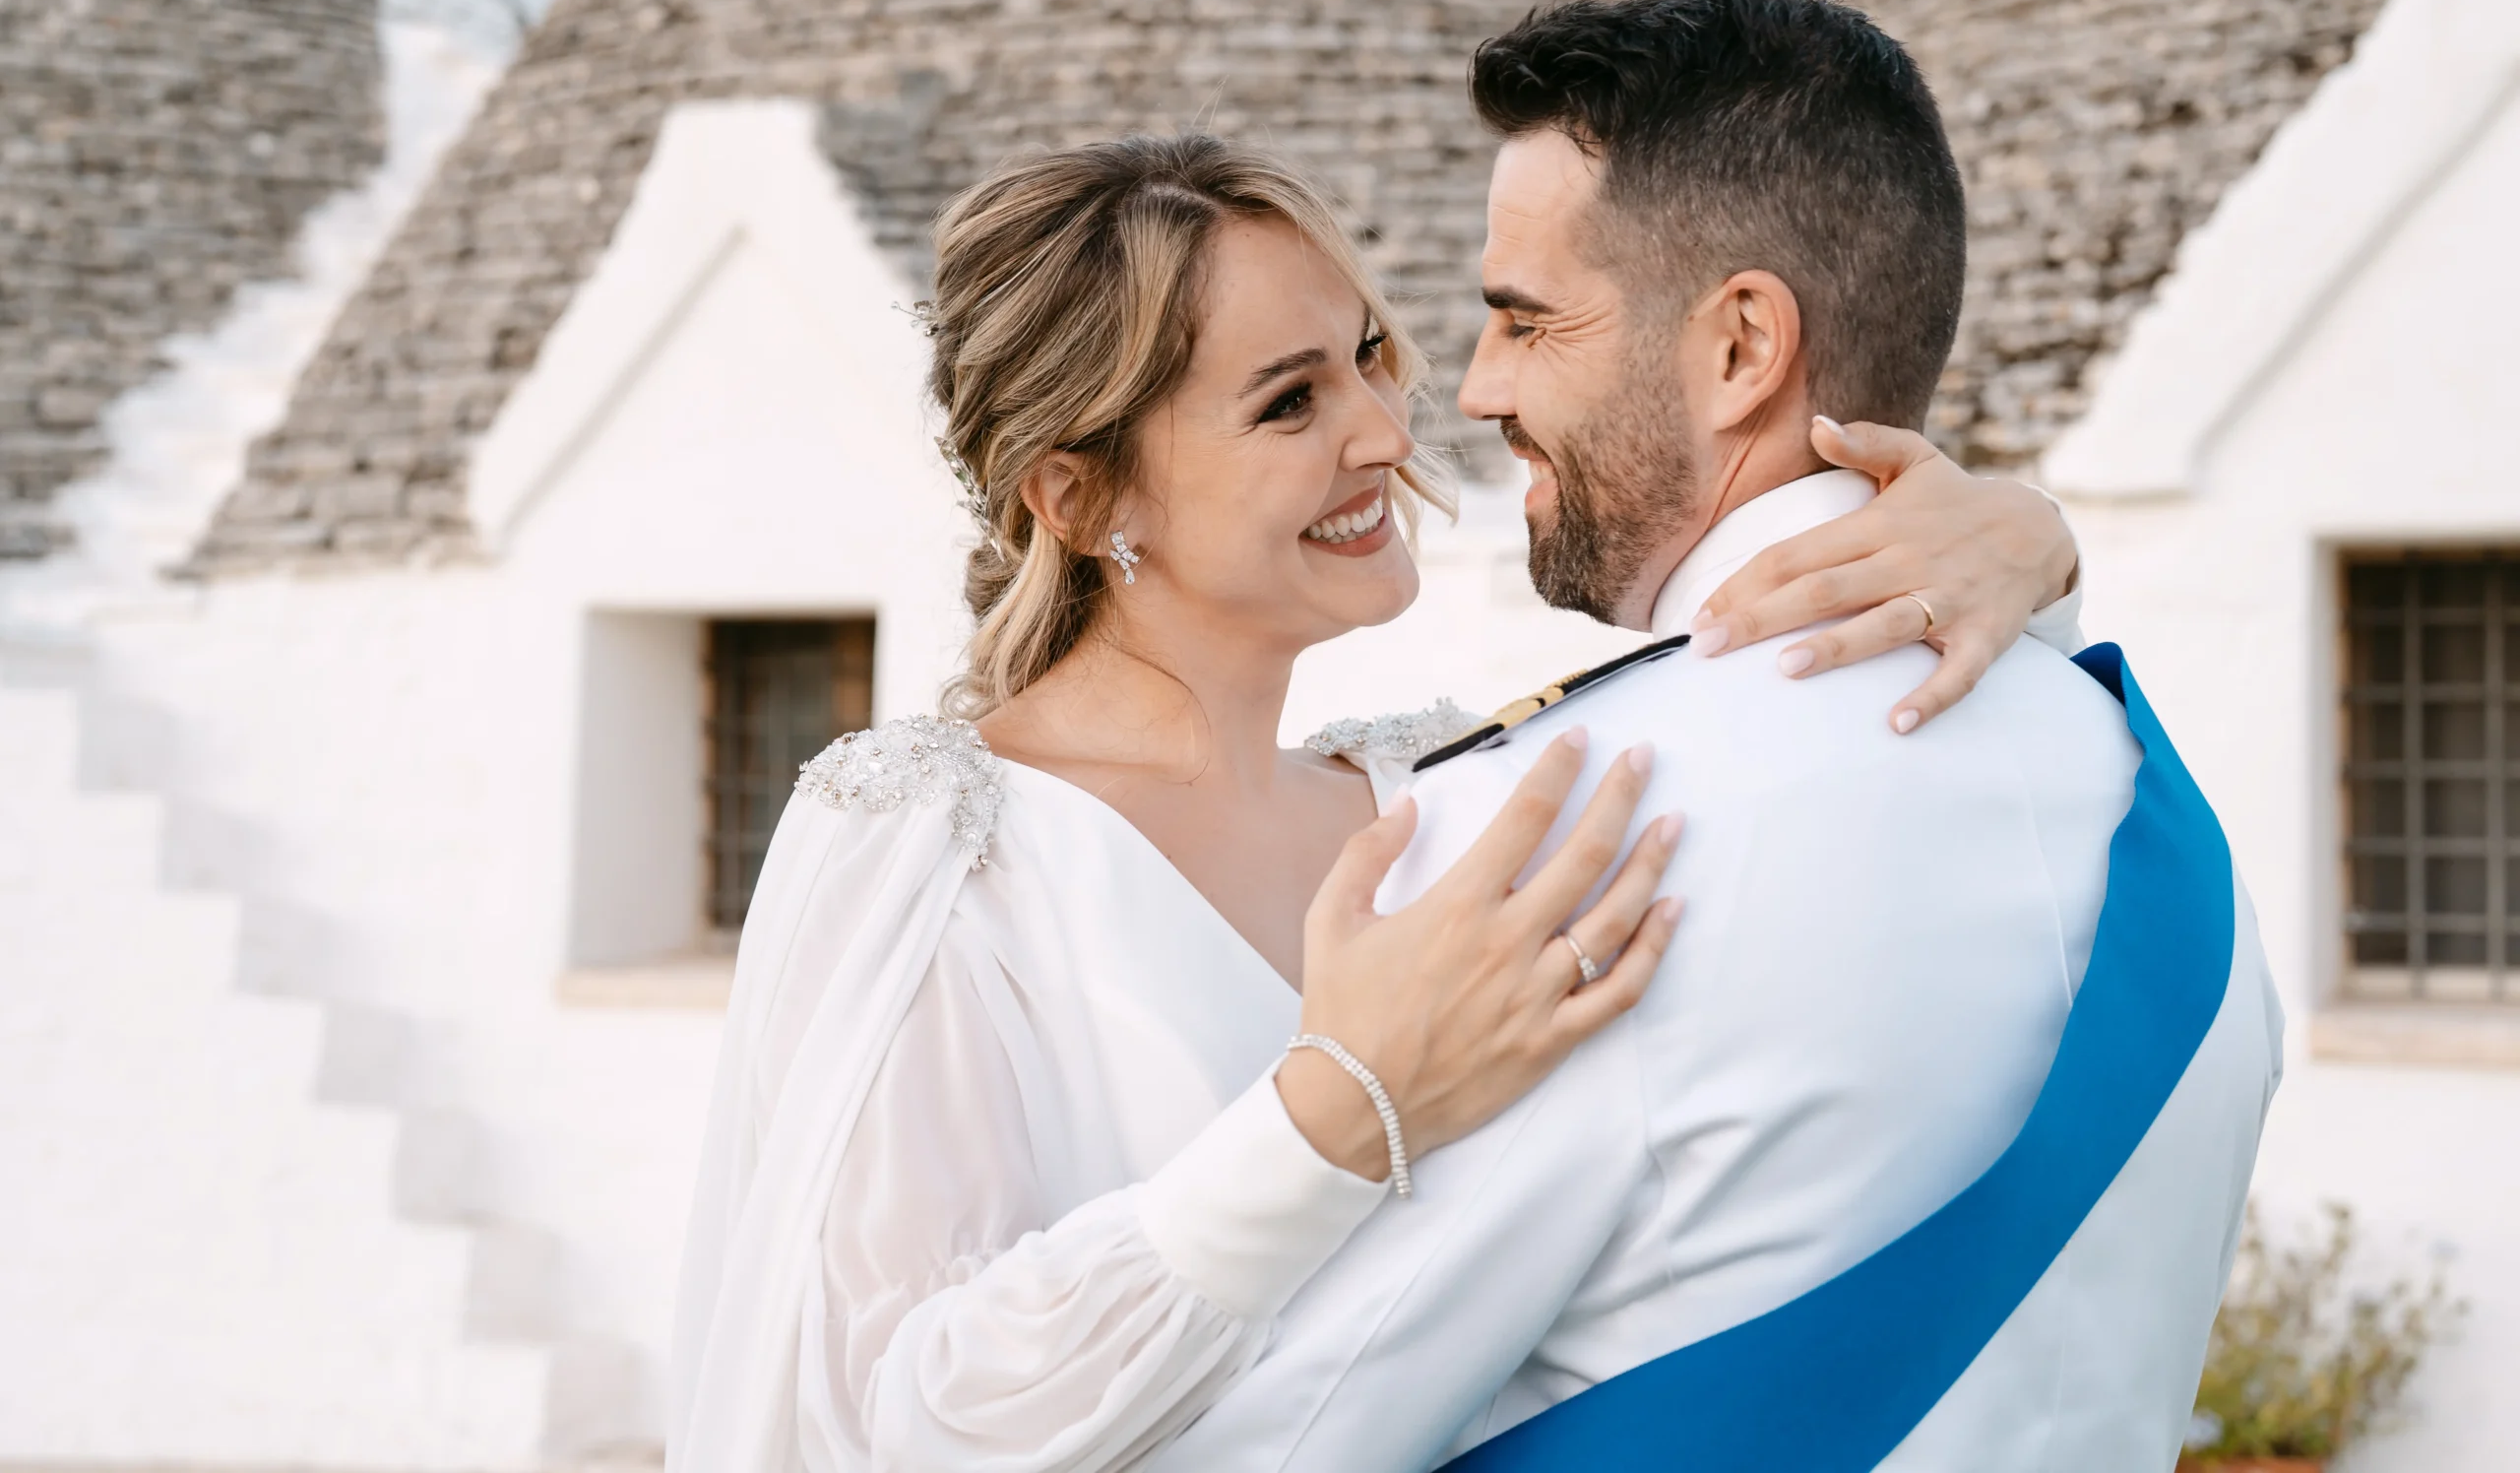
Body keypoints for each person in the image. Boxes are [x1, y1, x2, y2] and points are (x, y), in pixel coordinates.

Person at [666, 126, 2087, 1471]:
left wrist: (2025, 537)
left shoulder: (1443, 789)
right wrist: (1332, 1116)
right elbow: (894, 1413)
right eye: (1288, 400)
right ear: (1082, 497)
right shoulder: (933, 848)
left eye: (1364, 357)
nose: (1386, 429)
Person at [1150, 0, 2286, 1473]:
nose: (1474, 389)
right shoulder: (2157, 815)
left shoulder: (1560, 846)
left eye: (1525, 319)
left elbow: (1282, 1436)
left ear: (1742, 345)